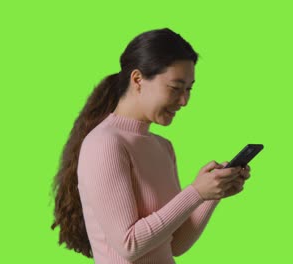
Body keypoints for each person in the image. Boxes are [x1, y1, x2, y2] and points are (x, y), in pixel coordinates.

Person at [51, 28, 251, 263]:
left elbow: (175, 244)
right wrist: (196, 192)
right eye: (175, 88)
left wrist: (211, 195)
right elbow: (130, 244)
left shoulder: (163, 147)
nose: (184, 101)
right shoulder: (105, 144)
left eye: (189, 89)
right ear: (137, 80)